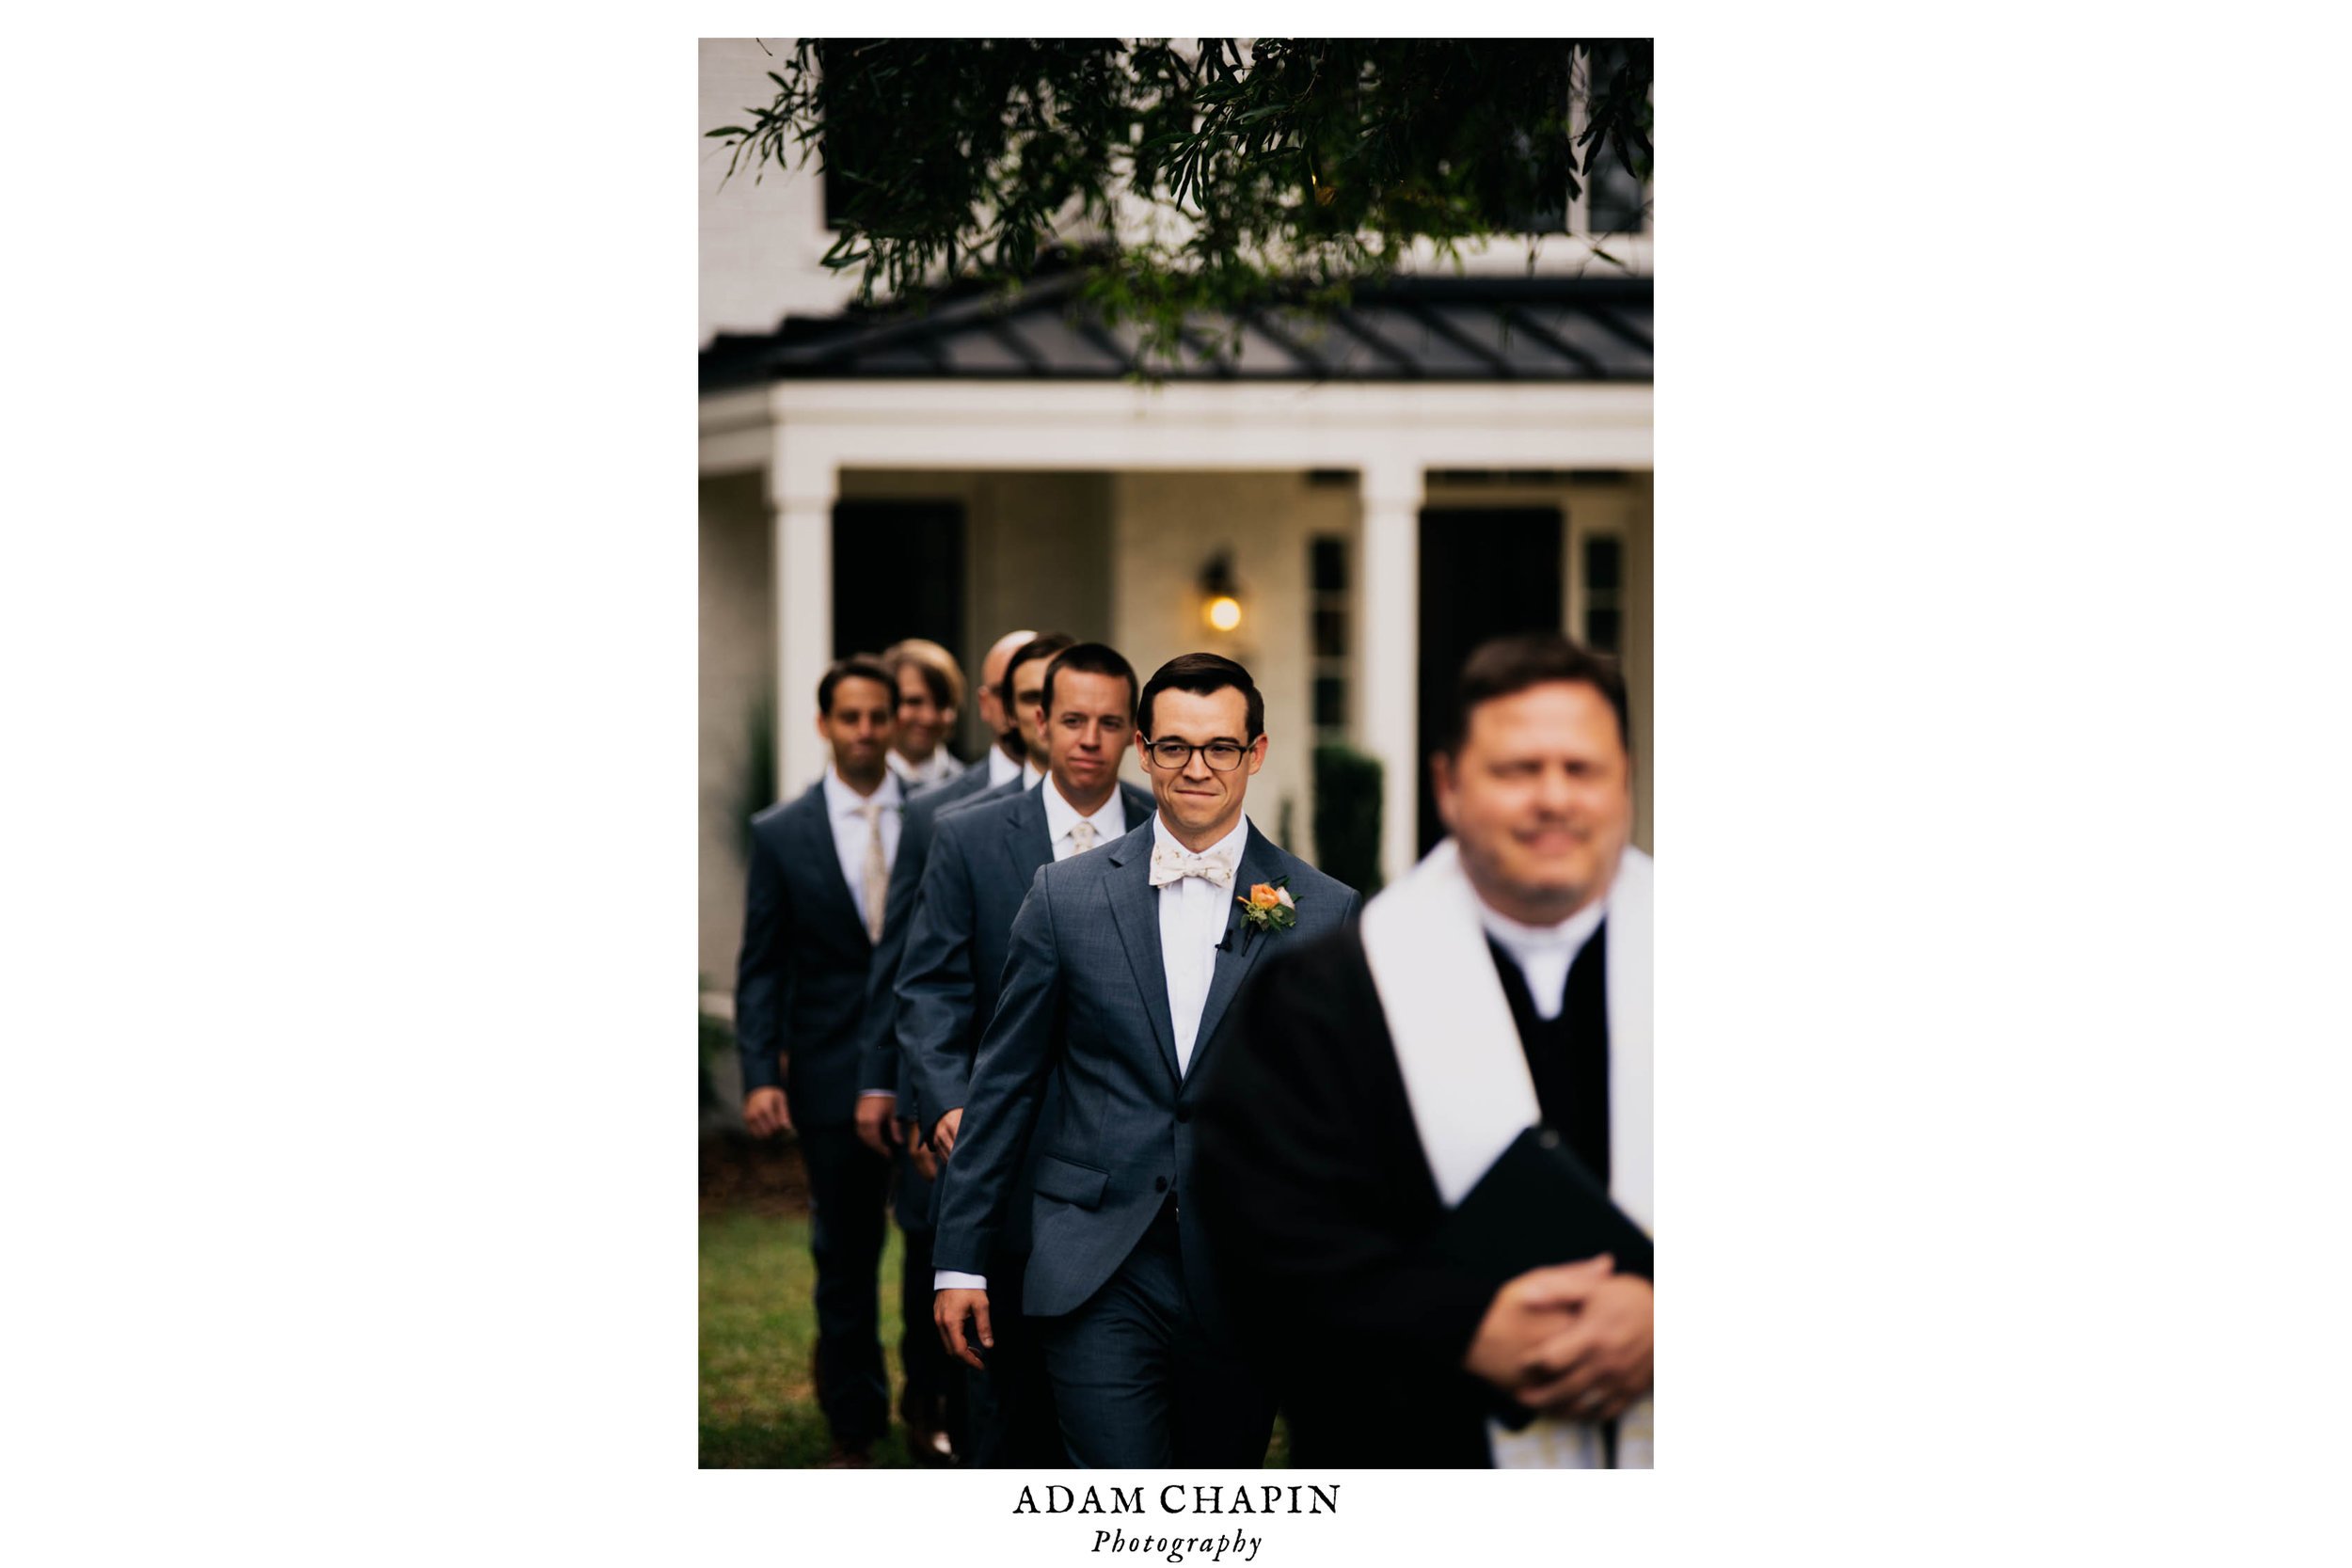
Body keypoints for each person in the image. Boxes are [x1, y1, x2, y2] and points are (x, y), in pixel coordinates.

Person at [1196, 632, 1654, 1468]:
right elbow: (1267, 1237)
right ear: (1448, 784)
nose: (1553, 798)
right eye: (1518, 770)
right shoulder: (1329, 996)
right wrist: (1461, 1324)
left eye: (1581, 769)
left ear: (1624, 779)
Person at [932, 653, 1359, 1467]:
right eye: (1173, 746)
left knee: (1216, 1499)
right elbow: (1004, 1088)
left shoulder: (1327, 911)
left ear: (1256, 752)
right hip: (1096, 1265)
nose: (1196, 767)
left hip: (1246, 1273)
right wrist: (961, 1259)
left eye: (1220, 747)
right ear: (1143, 748)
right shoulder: (1065, 895)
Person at [898, 642, 1156, 1465]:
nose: (1089, 737)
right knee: (1001, 1418)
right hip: (1004, 1162)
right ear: (1038, 719)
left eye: (1110, 723)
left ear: (1132, 733)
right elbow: (930, 988)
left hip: (1128, 1179)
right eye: (1072, 718)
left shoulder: (1168, 828)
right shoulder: (968, 837)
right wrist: (945, 1103)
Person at [850, 629, 1073, 1460]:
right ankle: (939, 1413)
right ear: (1009, 710)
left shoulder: (1134, 813)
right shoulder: (948, 817)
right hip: (971, 1110)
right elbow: (908, 969)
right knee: (949, 1277)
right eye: (1032, 700)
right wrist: (912, 1093)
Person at [734, 657, 905, 1467]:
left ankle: (940, 1409)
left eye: (879, 716)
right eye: (852, 717)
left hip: (924, 1070)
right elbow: (762, 960)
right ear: (825, 724)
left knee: (942, 1250)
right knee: (843, 1259)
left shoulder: (942, 815)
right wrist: (761, 1070)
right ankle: (854, 1426)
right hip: (830, 1075)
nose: (867, 731)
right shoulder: (780, 832)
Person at [883, 638, 968, 793]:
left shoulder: (973, 789)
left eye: (941, 703)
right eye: (913, 702)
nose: (928, 718)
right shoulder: (857, 785)